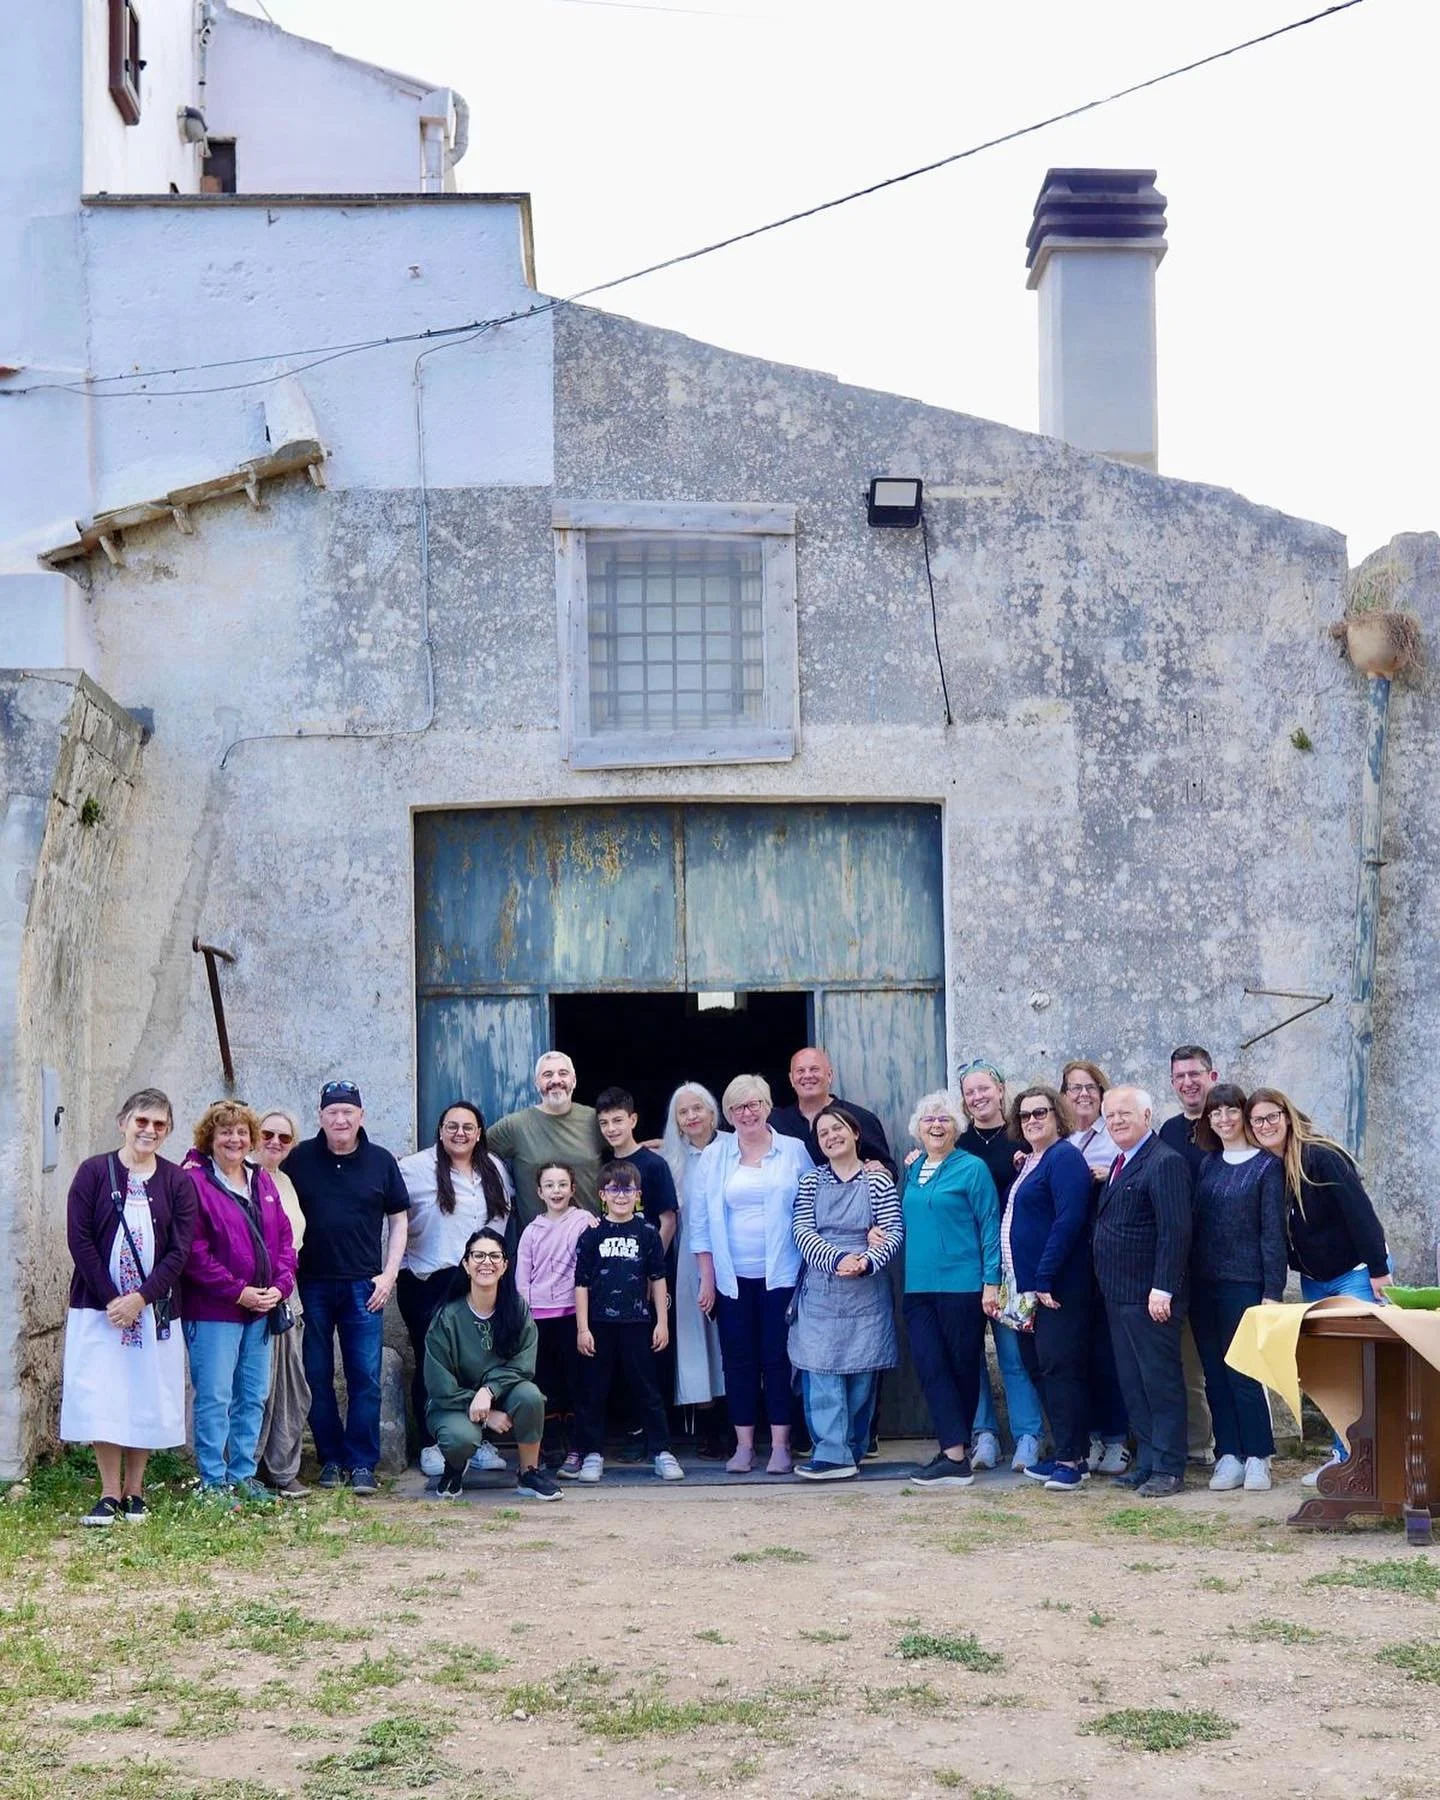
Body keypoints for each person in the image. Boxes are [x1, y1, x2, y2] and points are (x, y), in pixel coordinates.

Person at [60, 1088, 198, 1527]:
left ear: (168, 1131)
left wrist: (141, 1298)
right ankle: (107, 1493)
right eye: (142, 1121)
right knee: (104, 1392)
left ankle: (136, 1490)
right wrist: (112, 1300)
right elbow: (79, 1240)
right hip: (99, 1310)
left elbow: (180, 1251)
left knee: (146, 1393)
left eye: (159, 1125)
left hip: (153, 1309)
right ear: (123, 1122)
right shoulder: (92, 1173)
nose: (149, 1131)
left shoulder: (177, 1182)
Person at [1244, 1086, 1392, 1486]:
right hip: (1315, 1280)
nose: (1265, 1125)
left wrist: (1378, 1268)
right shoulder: (1267, 1170)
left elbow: (1361, 1213)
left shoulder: (1321, 1157)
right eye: (1257, 1120)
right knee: (1331, 1371)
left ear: (1288, 1116)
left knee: (1363, 1364)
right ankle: (1344, 1457)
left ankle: (1375, 1459)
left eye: (1272, 1116)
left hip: (1356, 1272)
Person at [284, 1080, 409, 1496]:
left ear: (361, 1116)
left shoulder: (381, 1161)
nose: (340, 1119)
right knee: (316, 1377)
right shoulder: (298, 1158)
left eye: (348, 1112)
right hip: (311, 1285)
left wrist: (389, 1273)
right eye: (332, 1112)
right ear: (320, 1116)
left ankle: (361, 1465)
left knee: (365, 1379)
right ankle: (331, 1460)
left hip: (364, 1287)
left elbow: (399, 1220)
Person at [689, 1074, 814, 1475]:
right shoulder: (715, 1156)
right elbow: (700, 1223)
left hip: (783, 1275)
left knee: (779, 1360)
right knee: (738, 1361)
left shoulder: (793, 1151)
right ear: (727, 1115)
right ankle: (743, 1446)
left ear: (767, 1105)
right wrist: (707, 1279)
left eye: (754, 1104)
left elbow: (814, 1205)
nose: (747, 1113)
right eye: (737, 1107)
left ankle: (780, 1444)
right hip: (731, 1279)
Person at [180, 1101, 297, 1504]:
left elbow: (284, 1240)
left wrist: (280, 1287)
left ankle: (242, 1475)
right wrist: (238, 1291)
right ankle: (212, 1482)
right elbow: (193, 1252)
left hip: (262, 1310)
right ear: (209, 1139)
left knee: (253, 1395)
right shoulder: (194, 1183)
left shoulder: (261, 1180)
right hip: (215, 1310)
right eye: (225, 1132)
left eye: (242, 1132)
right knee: (215, 1396)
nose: (235, 1139)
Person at [397, 1101, 514, 1481]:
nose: (460, 1133)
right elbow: (392, 1218)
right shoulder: (413, 1169)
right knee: (434, 1366)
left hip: (477, 1280)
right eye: (452, 1126)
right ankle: (434, 1444)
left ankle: (475, 1441)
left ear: (479, 1132)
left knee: (478, 1363)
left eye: (468, 1127)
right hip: (428, 1280)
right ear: (440, 1130)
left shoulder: (493, 1168)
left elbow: (498, 1223)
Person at [788, 1105, 903, 1479]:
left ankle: (851, 1450)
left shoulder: (878, 1182)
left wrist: (866, 1260)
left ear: (855, 1133)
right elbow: (802, 1231)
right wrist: (837, 1259)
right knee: (820, 1371)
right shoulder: (810, 1182)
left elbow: (894, 1230)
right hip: (822, 1288)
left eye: (837, 1129)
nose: (831, 1137)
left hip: (866, 1288)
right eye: (823, 1134)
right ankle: (830, 1452)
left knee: (860, 1374)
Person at [1093, 1086, 1192, 1498]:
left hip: (1150, 1297)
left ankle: (1169, 1468)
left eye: (1125, 1113)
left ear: (1147, 1116)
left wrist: (1163, 1288)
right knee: (1134, 1383)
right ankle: (1149, 1461)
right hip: (1119, 1295)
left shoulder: (1164, 1162)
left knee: (1160, 1382)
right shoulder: (1121, 1161)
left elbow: (1176, 1231)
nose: (1116, 1120)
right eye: (1110, 1114)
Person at [900, 1089, 1000, 1488]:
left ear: (956, 1127)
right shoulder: (912, 1169)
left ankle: (955, 1457)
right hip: (917, 1286)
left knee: (960, 1368)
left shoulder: (972, 1168)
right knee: (930, 1366)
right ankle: (952, 1451)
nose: (936, 1125)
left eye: (943, 1119)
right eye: (929, 1120)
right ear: (918, 1130)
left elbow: (989, 1225)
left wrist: (990, 1282)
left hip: (962, 1285)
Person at [1190, 1084, 1286, 1493]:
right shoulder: (1209, 1163)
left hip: (1245, 1284)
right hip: (1204, 1284)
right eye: (1216, 1113)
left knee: (1245, 1371)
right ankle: (1227, 1452)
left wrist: (1272, 1291)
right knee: (1213, 1372)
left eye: (1231, 1111)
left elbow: (1272, 1233)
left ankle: (1258, 1455)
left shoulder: (1266, 1166)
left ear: (1244, 1114)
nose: (1224, 1119)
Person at [999, 1085, 1094, 1493]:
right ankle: (1066, 1451)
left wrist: (1045, 1277)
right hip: (1025, 1288)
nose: (1032, 1121)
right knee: (1038, 1367)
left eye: (1040, 1113)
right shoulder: (1032, 1161)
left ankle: (1073, 1460)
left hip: (1054, 1285)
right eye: (1024, 1116)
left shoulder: (1065, 1158)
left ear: (1057, 1115)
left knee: (1060, 1368)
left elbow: (1068, 1220)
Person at [423, 1225, 560, 1501]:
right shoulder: (446, 1318)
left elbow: (524, 1365)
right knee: (460, 1437)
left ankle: (528, 1472)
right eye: (478, 1256)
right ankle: (454, 1467)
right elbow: (439, 1385)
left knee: (531, 1396)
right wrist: (481, 1407)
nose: (487, 1262)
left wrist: (490, 1391)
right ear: (465, 1264)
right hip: (454, 1403)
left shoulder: (517, 1309)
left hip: (501, 1395)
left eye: (495, 1256)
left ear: (505, 1265)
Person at [956, 1062, 1044, 1474]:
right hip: (964, 1263)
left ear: (1001, 1089)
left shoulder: (1021, 1132)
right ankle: (983, 1435)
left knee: (1014, 1354)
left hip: (1009, 1263)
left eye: (984, 1089)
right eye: (970, 1092)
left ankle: (1028, 1436)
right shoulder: (956, 1142)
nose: (977, 1097)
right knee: (968, 1354)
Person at [572, 1162, 685, 1484]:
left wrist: (661, 1322)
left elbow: (658, 1278)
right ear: (602, 1195)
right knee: (594, 1391)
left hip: (638, 1322)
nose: (620, 1195)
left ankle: (662, 1451)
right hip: (599, 1325)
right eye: (613, 1189)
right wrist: (583, 1328)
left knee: (647, 1389)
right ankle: (592, 1453)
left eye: (627, 1189)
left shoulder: (647, 1233)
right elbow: (580, 1283)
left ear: (638, 1194)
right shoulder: (592, 1234)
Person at [1060, 1060, 1129, 1475]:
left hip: (1107, 1258)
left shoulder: (1116, 1134)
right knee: (1077, 1355)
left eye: (1090, 1087)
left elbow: (1139, 1170)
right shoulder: (1059, 1137)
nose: (1082, 1094)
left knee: (1108, 1353)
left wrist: (1109, 1176)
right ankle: (1087, 1440)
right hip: (1070, 1261)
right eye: (1073, 1088)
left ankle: (1117, 1440)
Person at [660, 1082, 729, 1457]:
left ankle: (739, 1425)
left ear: (712, 1111)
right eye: (683, 1112)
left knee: (731, 1338)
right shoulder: (671, 1159)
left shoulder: (733, 1147)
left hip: (734, 1251)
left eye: (697, 1109)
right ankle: (710, 1429)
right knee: (696, 1339)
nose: (691, 1117)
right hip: (689, 1254)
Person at [515, 1162, 596, 1475]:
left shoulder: (584, 1221)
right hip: (540, 1318)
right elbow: (522, 1278)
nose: (557, 1191)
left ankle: (578, 1446)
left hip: (573, 1313)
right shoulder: (532, 1231)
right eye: (549, 1185)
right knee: (545, 1382)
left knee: (576, 1381)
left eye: (562, 1184)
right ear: (539, 1192)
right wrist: (525, 1315)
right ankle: (550, 1444)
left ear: (573, 1189)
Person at [254, 1108, 313, 1496]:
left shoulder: (287, 1182)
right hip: (255, 1292)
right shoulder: (242, 1178)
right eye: (268, 1134)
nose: (275, 1143)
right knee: (257, 1385)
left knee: (290, 1384)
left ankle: (281, 1468)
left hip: (287, 1291)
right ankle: (246, 1469)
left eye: (285, 1138)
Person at [487, 1051, 603, 1226]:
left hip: (590, 1240)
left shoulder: (595, 1120)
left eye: (563, 1073)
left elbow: (624, 1151)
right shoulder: (516, 1126)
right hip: (538, 1244)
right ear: (536, 1083)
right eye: (547, 1075)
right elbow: (470, 1151)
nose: (556, 1080)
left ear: (574, 1080)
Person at [769, 1046, 896, 1178]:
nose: (807, 1075)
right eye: (800, 1071)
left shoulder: (860, 1118)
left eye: (814, 1069)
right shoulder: (775, 1122)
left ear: (829, 1075)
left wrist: (882, 1171)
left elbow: (888, 1168)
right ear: (791, 1079)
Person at [596, 1087, 678, 1249]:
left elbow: (669, 1222)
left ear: (632, 1120)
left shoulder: (654, 1164)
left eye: (617, 1120)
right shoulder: (604, 1164)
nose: (611, 1129)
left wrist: (652, 1265)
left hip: (646, 1265)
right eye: (604, 1123)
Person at [1157, 1046, 1219, 1176]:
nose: (1187, 1082)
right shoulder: (1168, 1130)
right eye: (1179, 1076)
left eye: (1194, 1074)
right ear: (1173, 1082)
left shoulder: (1227, 1125)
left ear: (1212, 1076)